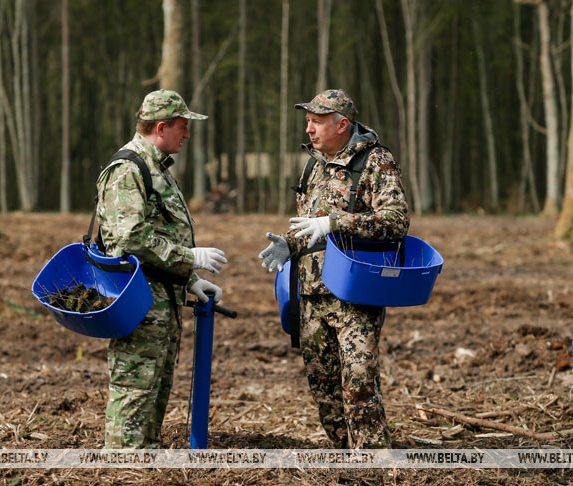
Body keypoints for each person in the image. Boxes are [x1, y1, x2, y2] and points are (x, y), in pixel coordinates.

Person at [259, 89, 409, 449]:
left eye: (317, 121)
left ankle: (374, 462)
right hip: (311, 295)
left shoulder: (375, 161)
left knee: (358, 384)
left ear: (343, 125)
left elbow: (396, 221)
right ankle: (345, 456)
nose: (309, 129)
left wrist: (336, 222)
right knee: (324, 389)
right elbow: (309, 227)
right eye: (308, 121)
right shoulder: (314, 164)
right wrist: (290, 244)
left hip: (355, 294)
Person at [96, 89, 227, 448]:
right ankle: (123, 464)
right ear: (160, 127)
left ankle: (145, 457)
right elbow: (131, 238)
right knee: (135, 387)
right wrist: (190, 257)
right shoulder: (129, 169)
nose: (186, 135)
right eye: (182, 127)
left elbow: (159, 229)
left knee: (155, 384)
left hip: (161, 298)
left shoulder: (157, 168)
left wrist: (189, 278)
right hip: (139, 300)